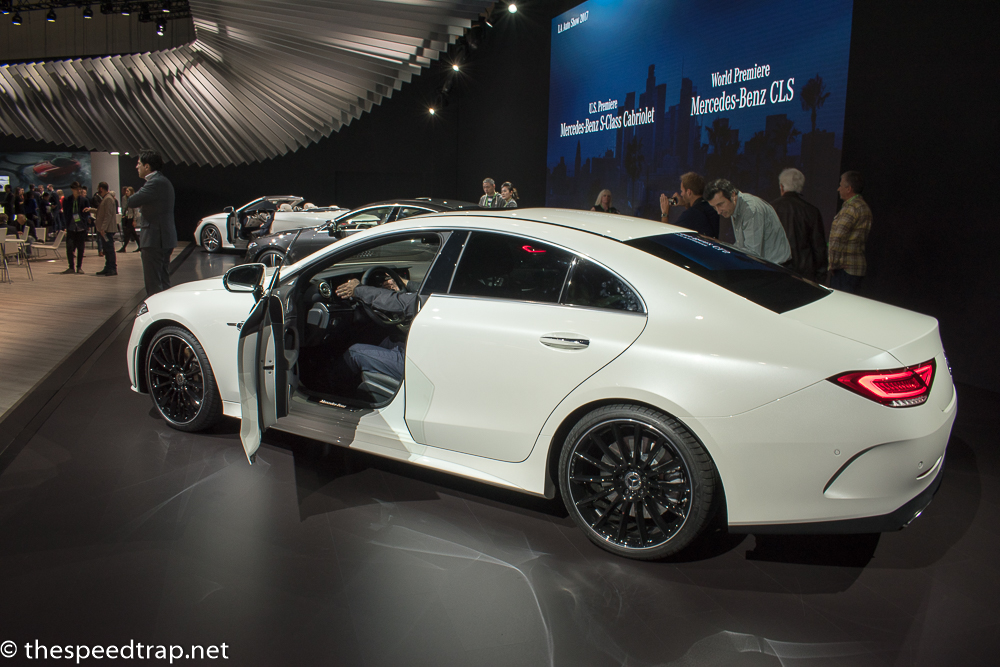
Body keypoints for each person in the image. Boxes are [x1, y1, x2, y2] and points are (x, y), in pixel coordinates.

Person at [334, 275, 419, 382]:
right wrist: (405, 283)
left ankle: (329, 389)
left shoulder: (435, 299)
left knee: (354, 353)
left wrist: (358, 289)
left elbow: (397, 303)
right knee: (384, 340)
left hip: (419, 367)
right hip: (427, 354)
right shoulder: (440, 294)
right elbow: (427, 291)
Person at [704, 178, 791, 265]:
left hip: (777, 267)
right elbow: (742, 246)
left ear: (733, 195)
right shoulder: (735, 205)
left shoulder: (750, 210)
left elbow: (752, 253)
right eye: (714, 207)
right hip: (767, 265)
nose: (718, 211)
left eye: (720, 204)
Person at [127, 149, 177, 295]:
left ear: (147, 166)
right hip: (162, 238)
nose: (136, 167)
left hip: (155, 239)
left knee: (153, 283)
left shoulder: (154, 183)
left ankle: (156, 309)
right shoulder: (162, 181)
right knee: (162, 280)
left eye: (139, 164)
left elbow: (131, 201)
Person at [769, 168, 827, 283]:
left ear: (781, 187)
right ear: (800, 187)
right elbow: (819, 248)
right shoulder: (812, 211)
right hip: (804, 275)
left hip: (776, 272)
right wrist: (820, 277)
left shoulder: (770, 208)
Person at [828, 171, 873, 294]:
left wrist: (833, 264)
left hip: (845, 270)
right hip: (856, 267)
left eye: (841, 185)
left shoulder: (851, 208)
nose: (838, 189)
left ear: (849, 189)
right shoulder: (864, 207)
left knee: (839, 302)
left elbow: (837, 238)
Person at [659, 172, 720, 238]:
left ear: (688, 192)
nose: (681, 194)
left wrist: (665, 213)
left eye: (682, 191)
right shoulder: (711, 207)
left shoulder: (692, 213)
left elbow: (666, 236)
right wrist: (685, 204)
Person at [61, 181, 91, 274]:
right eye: (77, 189)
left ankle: (79, 267)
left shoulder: (84, 200)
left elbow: (87, 213)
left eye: (79, 189)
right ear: (72, 190)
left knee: (81, 248)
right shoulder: (67, 200)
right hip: (71, 227)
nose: (79, 191)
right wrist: (65, 226)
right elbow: (65, 214)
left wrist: (86, 224)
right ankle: (71, 267)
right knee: (69, 247)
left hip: (81, 227)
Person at [92, 183, 119, 276]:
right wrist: (91, 210)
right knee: (106, 249)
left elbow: (108, 214)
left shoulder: (108, 199)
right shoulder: (106, 198)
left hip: (107, 229)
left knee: (109, 249)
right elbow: (103, 212)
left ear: (101, 188)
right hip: (105, 229)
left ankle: (112, 268)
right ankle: (108, 267)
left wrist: (103, 228)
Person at [119, 186, 138, 252]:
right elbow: (123, 207)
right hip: (126, 217)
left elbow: (135, 210)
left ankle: (124, 247)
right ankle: (140, 246)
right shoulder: (124, 198)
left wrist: (134, 220)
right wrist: (123, 215)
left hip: (131, 217)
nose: (126, 192)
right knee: (132, 232)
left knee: (128, 232)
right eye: (126, 191)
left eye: (128, 191)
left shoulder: (133, 199)